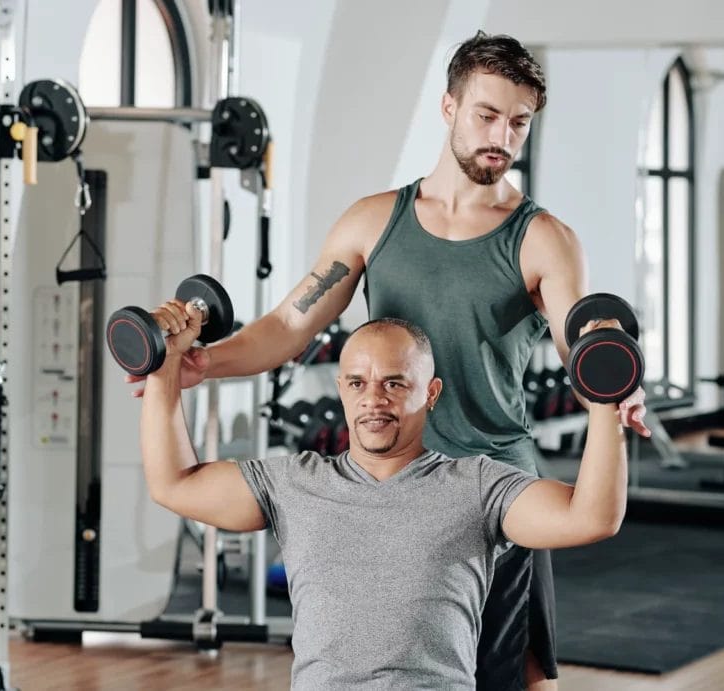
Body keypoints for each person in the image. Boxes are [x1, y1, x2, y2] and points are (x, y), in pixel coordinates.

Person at [133, 31, 650, 690]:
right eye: (488, 115)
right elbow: (290, 324)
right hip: (388, 487)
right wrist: (193, 364)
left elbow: (582, 350)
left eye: (519, 122)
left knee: (512, 678)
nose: (504, 135)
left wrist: (612, 397)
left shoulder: (543, 238)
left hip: (493, 491)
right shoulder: (375, 220)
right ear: (448, 108)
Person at [140, 314, 628, 690]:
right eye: (358, 383)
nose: (374, 399)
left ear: (431, 393)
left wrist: (607, 401)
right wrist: (164, 370)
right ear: (341, 390)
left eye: (395, 383)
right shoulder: (294, 483)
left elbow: (591, 517)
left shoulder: (477, 485)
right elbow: (175, 485)